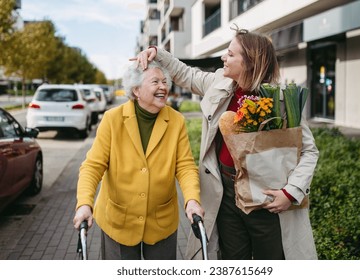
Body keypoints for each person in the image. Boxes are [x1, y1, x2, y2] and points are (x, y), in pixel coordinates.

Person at [132, 25, 319, 260]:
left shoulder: (280, 100)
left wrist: (291, 193)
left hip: (267, 198)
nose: (223, 57)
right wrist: (156, 52)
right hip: (225, 194)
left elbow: (309, 151)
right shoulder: (219, 84)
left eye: (230, 54)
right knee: (232, 259)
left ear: (249, 62)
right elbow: (186, 74)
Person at [73, 61, 204, 260]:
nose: (163, 87)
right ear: (136, 90)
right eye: (155, 82)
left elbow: (185, 166)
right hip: (119, 221)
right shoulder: (112, 119)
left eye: (164, 81)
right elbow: (92, 166)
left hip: (161, 221)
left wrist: (192, 200)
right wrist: (84, 203)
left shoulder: (176, 121)